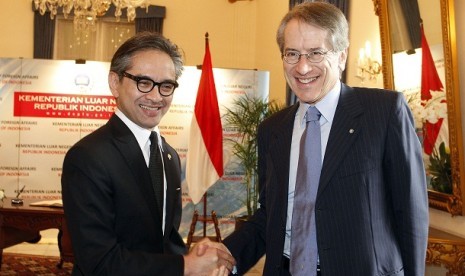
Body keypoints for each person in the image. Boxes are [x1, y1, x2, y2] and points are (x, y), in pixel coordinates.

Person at [223, 2, 428, 276]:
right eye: (292, 53)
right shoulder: (272, 130)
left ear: (342, 56)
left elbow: (410, 212)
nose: (303, 67)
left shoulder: (383, 113)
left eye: (316, 53)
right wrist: (227, 254)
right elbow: (271, 214)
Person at [62, 32, 235, 276]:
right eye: (143, 82)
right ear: (115, 83)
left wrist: (193, 255)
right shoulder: (88, 157)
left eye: (166, 86)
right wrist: (185, 266)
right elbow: (99, 261)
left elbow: (163, 243)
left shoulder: (169, 156)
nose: (155, 96)